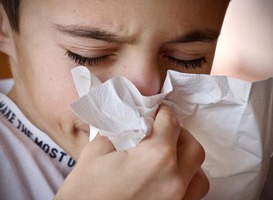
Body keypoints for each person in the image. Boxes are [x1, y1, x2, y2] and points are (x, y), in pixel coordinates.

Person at [0, 0, 230, 199]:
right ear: (4, 27)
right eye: (90, 56)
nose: (146, 95)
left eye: (188, 58)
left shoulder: (232, 150)